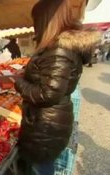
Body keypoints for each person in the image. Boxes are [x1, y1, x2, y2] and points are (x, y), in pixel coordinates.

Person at [12, 0, 100, 174]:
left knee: (41, 168)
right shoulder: (58, 47)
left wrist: (18, 81)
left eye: (36, 21)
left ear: (46, 21)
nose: (35, 26)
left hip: (45, 126)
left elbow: (47, 94)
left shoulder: (59, 50)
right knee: (41, 167)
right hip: (49, 121)